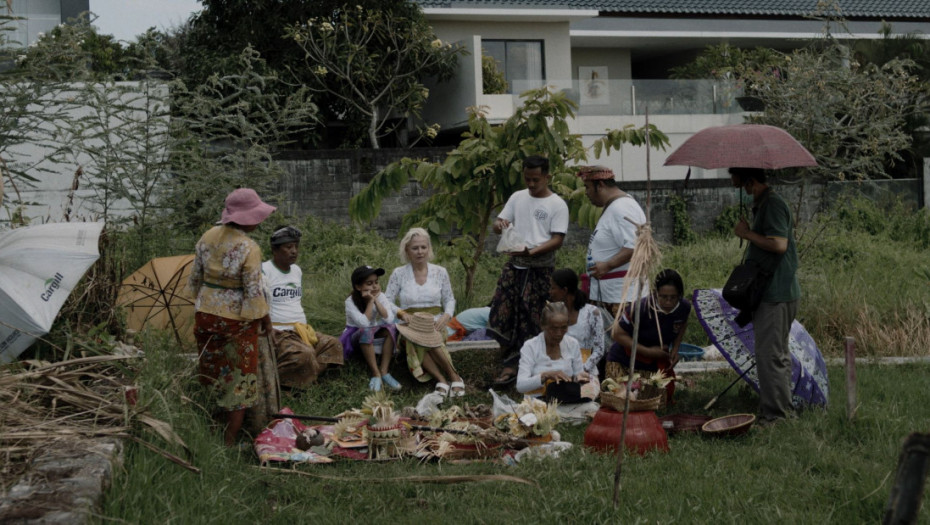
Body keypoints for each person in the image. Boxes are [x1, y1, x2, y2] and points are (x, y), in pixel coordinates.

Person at [189, 187, 275, 447]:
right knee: (238, 381)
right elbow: (253, 292)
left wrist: (207, 301)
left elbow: (195, 279)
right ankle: (228, 442)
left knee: (212, 374)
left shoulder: (207, 236)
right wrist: (265, 321)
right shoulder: (249, 247)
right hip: (235, 322)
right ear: (248, 218)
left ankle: (209, 430)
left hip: (205, 315)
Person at [490, 155, 570, 385]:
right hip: (514, 267)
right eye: (527, 179)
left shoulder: (557, 204)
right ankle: (509, 364)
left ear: (547, 177)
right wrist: (500, 225)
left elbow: (557, 239)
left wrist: (532, 252)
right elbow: (498, 224)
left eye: (536, 179)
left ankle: (535, 370)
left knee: (533, 319)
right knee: (504, 314)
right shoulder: (517, 197)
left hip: (541, 270)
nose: (532, 184)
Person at [731, 167, 800, 426]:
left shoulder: (773, 204)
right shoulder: (763, 204)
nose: (743, 191)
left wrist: (747, 234)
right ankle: (781, 410)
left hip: (776, 293)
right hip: (771, 292)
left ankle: (776, 416)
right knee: (774, 354)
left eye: (742, 185)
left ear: (751, 181)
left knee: (770, 355)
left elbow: (779, 245)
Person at [384, 227, 465, 397]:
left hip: (434, 322)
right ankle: (443, 379)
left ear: (429, 248)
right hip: (409, 324)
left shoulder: (440, 272)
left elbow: (449, 299)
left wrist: (447, 315)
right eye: (415, 248)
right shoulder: (398, 273)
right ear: (407, 250)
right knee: (413, 338)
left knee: (430, 336)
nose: (420, 252)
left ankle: (453, 376)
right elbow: (387, 300)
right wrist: (400, 313)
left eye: (423, 247)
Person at [261, 225, 343, 388]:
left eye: (296, 247)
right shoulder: (264, 271)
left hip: (301, 330)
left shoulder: (296, 271)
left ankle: (307, 379)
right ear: (274, 250)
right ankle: (278, 383)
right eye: (288, 247)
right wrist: (267, 328)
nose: (294, 251)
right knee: (304, 354)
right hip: (279, 332)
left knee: (333, 344)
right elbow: (258, 304)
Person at [607, 269, 692, 402]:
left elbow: (683, 323)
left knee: (656, 403)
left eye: (673, 297)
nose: (668, 302)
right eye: (663, 297)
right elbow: (616, 334)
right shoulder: (641, 308)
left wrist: (675, 348)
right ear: (654, 293)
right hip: (625, 360)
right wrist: (648, 351)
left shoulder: (684, 307)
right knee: (626, 400)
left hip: (653, 364)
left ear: (680, 295)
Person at [578, 165, 647, 311]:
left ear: (600, 185)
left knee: (617, 334)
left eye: (588, 187)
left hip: (620, 296)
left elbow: (635, 246)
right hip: (611, 293)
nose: (586, 193)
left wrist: (606, 266)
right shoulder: (616, 206)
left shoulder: (621, 207)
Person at [516, 302, 598, 420]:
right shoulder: (530, 346)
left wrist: (581, 378)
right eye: (554, 328)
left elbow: (578, 375)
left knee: (591, 406)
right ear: (543, 325)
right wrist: (546, 375)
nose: (559, 333)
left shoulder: (572, 344)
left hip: (565, 400)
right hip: (538, 402)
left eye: (563, 328)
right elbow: (520, 386)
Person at [344, 265, 401, 392]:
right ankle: (375, 373)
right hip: (354, 335)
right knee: (367, 330)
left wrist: (376, 300)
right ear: (358, 287)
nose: (375, 286)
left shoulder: (380, 296)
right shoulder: (350, 301)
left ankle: (384, 371)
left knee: (391, 327)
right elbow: (363, 324)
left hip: (372, 330)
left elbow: (389, 319)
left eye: (376, 282)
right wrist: (370, 302)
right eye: (369, 283)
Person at [548, 268, 605, 377]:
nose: (550, 292)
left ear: (564, 290)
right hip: (559, 369)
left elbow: (599, 350)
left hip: (585, 369)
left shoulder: (592, 313)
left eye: (553, 288)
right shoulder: (553, 312)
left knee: (583, 393)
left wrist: (581, 370)